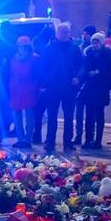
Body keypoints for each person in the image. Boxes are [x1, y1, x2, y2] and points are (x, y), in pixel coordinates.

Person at [39, 22, 83, 152]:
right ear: (57, 34)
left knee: (69, 117)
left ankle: (67, 143)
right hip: (53, 88)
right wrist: (46, 82)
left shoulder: (75, 49)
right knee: (52, 116)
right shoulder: (49, 48)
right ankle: (50, 141)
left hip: (69, 88)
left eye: (67, 32)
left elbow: (82, 65)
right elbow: (42, 67)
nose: (65, 35)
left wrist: (78, 77)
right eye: (63, 32)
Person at [76, 33, 111, 150]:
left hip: (101, 87)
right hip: (90, 87)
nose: (94, 45)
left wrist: (98, 72)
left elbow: (110, 69)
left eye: (97, 42)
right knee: (89, 115)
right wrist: (86, 74)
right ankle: (88, 139)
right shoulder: (88, 53)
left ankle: (98, 141)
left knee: (99, 114)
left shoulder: (107, 54)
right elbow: (84, 68)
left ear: (101, 43)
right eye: (93, 42)